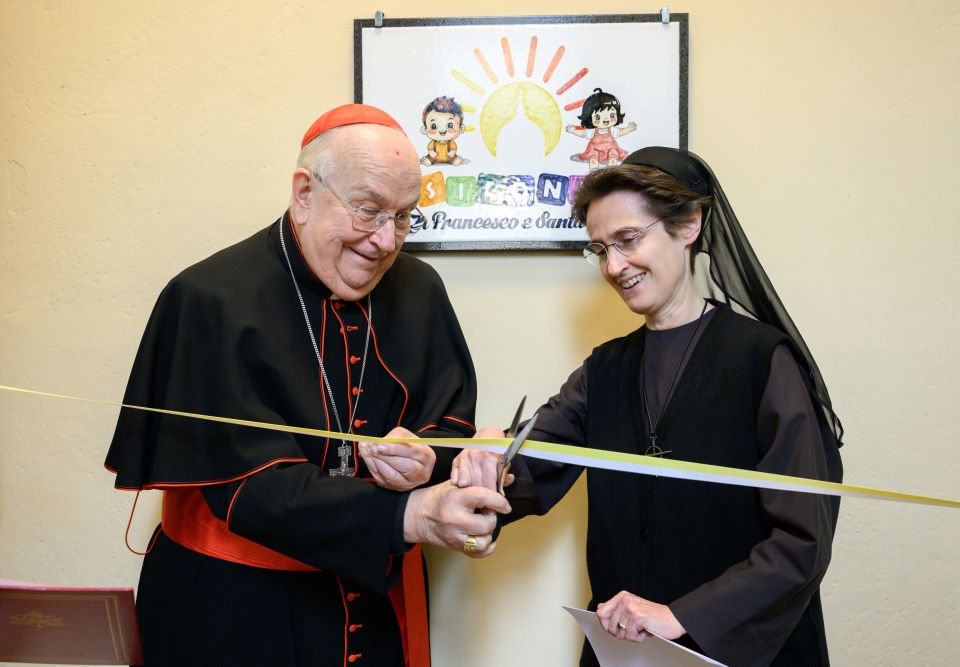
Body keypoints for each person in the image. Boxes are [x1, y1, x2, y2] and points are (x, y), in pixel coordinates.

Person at [105, 104, 510, 667]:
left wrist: (426, 462)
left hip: (371, 602)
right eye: (368, 210)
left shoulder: (419, 288)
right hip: (231, 613)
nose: (386, 241)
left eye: (404, 216)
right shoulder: (209, 298)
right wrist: (410, 515)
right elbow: (247, 486)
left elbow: (448, 425)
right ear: (304, 192)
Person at [453, 147, 845, 666]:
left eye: (629, 240)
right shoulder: (604, 370)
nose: (614, 267)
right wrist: (484, 462)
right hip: (627, 653)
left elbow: (803, 541)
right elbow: (527, 463)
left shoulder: (762, 360)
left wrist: (681, 616)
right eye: (600, 249)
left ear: (688, 225)